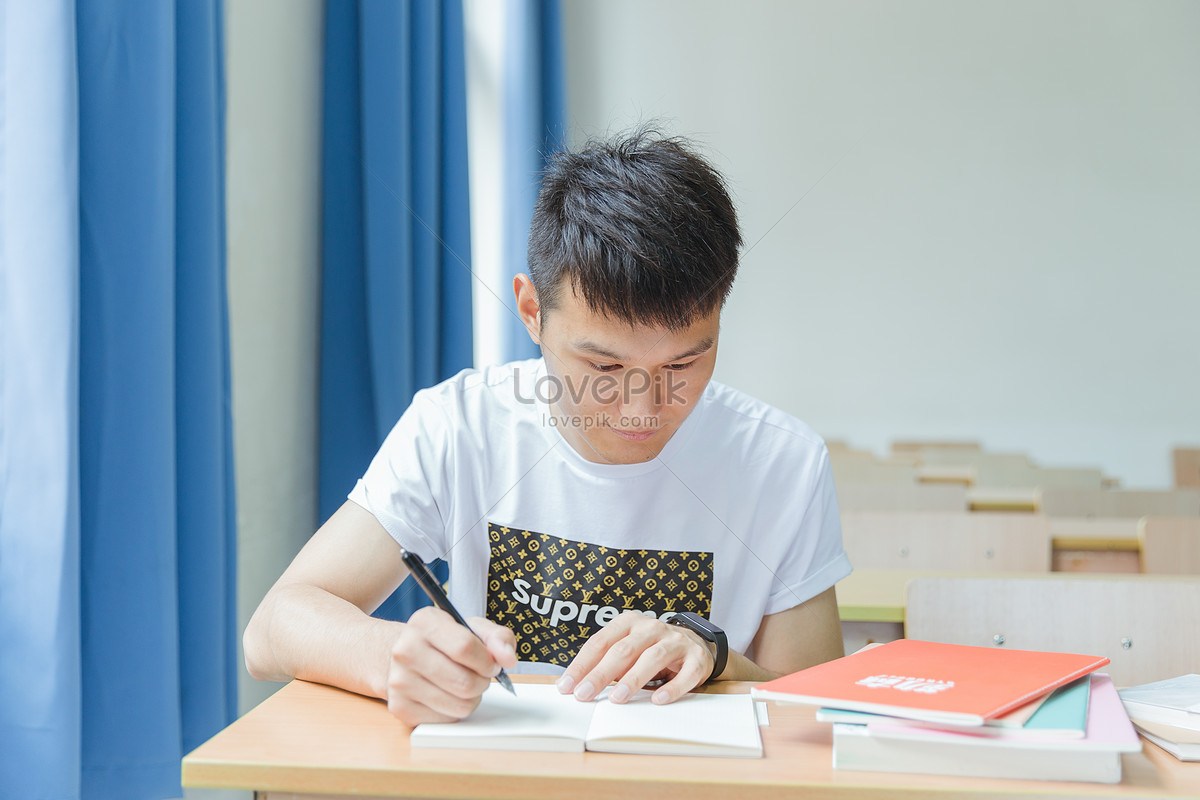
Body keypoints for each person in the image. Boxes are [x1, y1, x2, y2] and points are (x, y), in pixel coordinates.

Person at [243, 128, 851, 726]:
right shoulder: (459, 426)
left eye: (684, 363)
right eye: (604, 366)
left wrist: (717, 660)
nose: (641, 410)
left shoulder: (782, 463)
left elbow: (815, 718)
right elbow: (271, 630)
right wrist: (392, 657)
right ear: (532, 311)